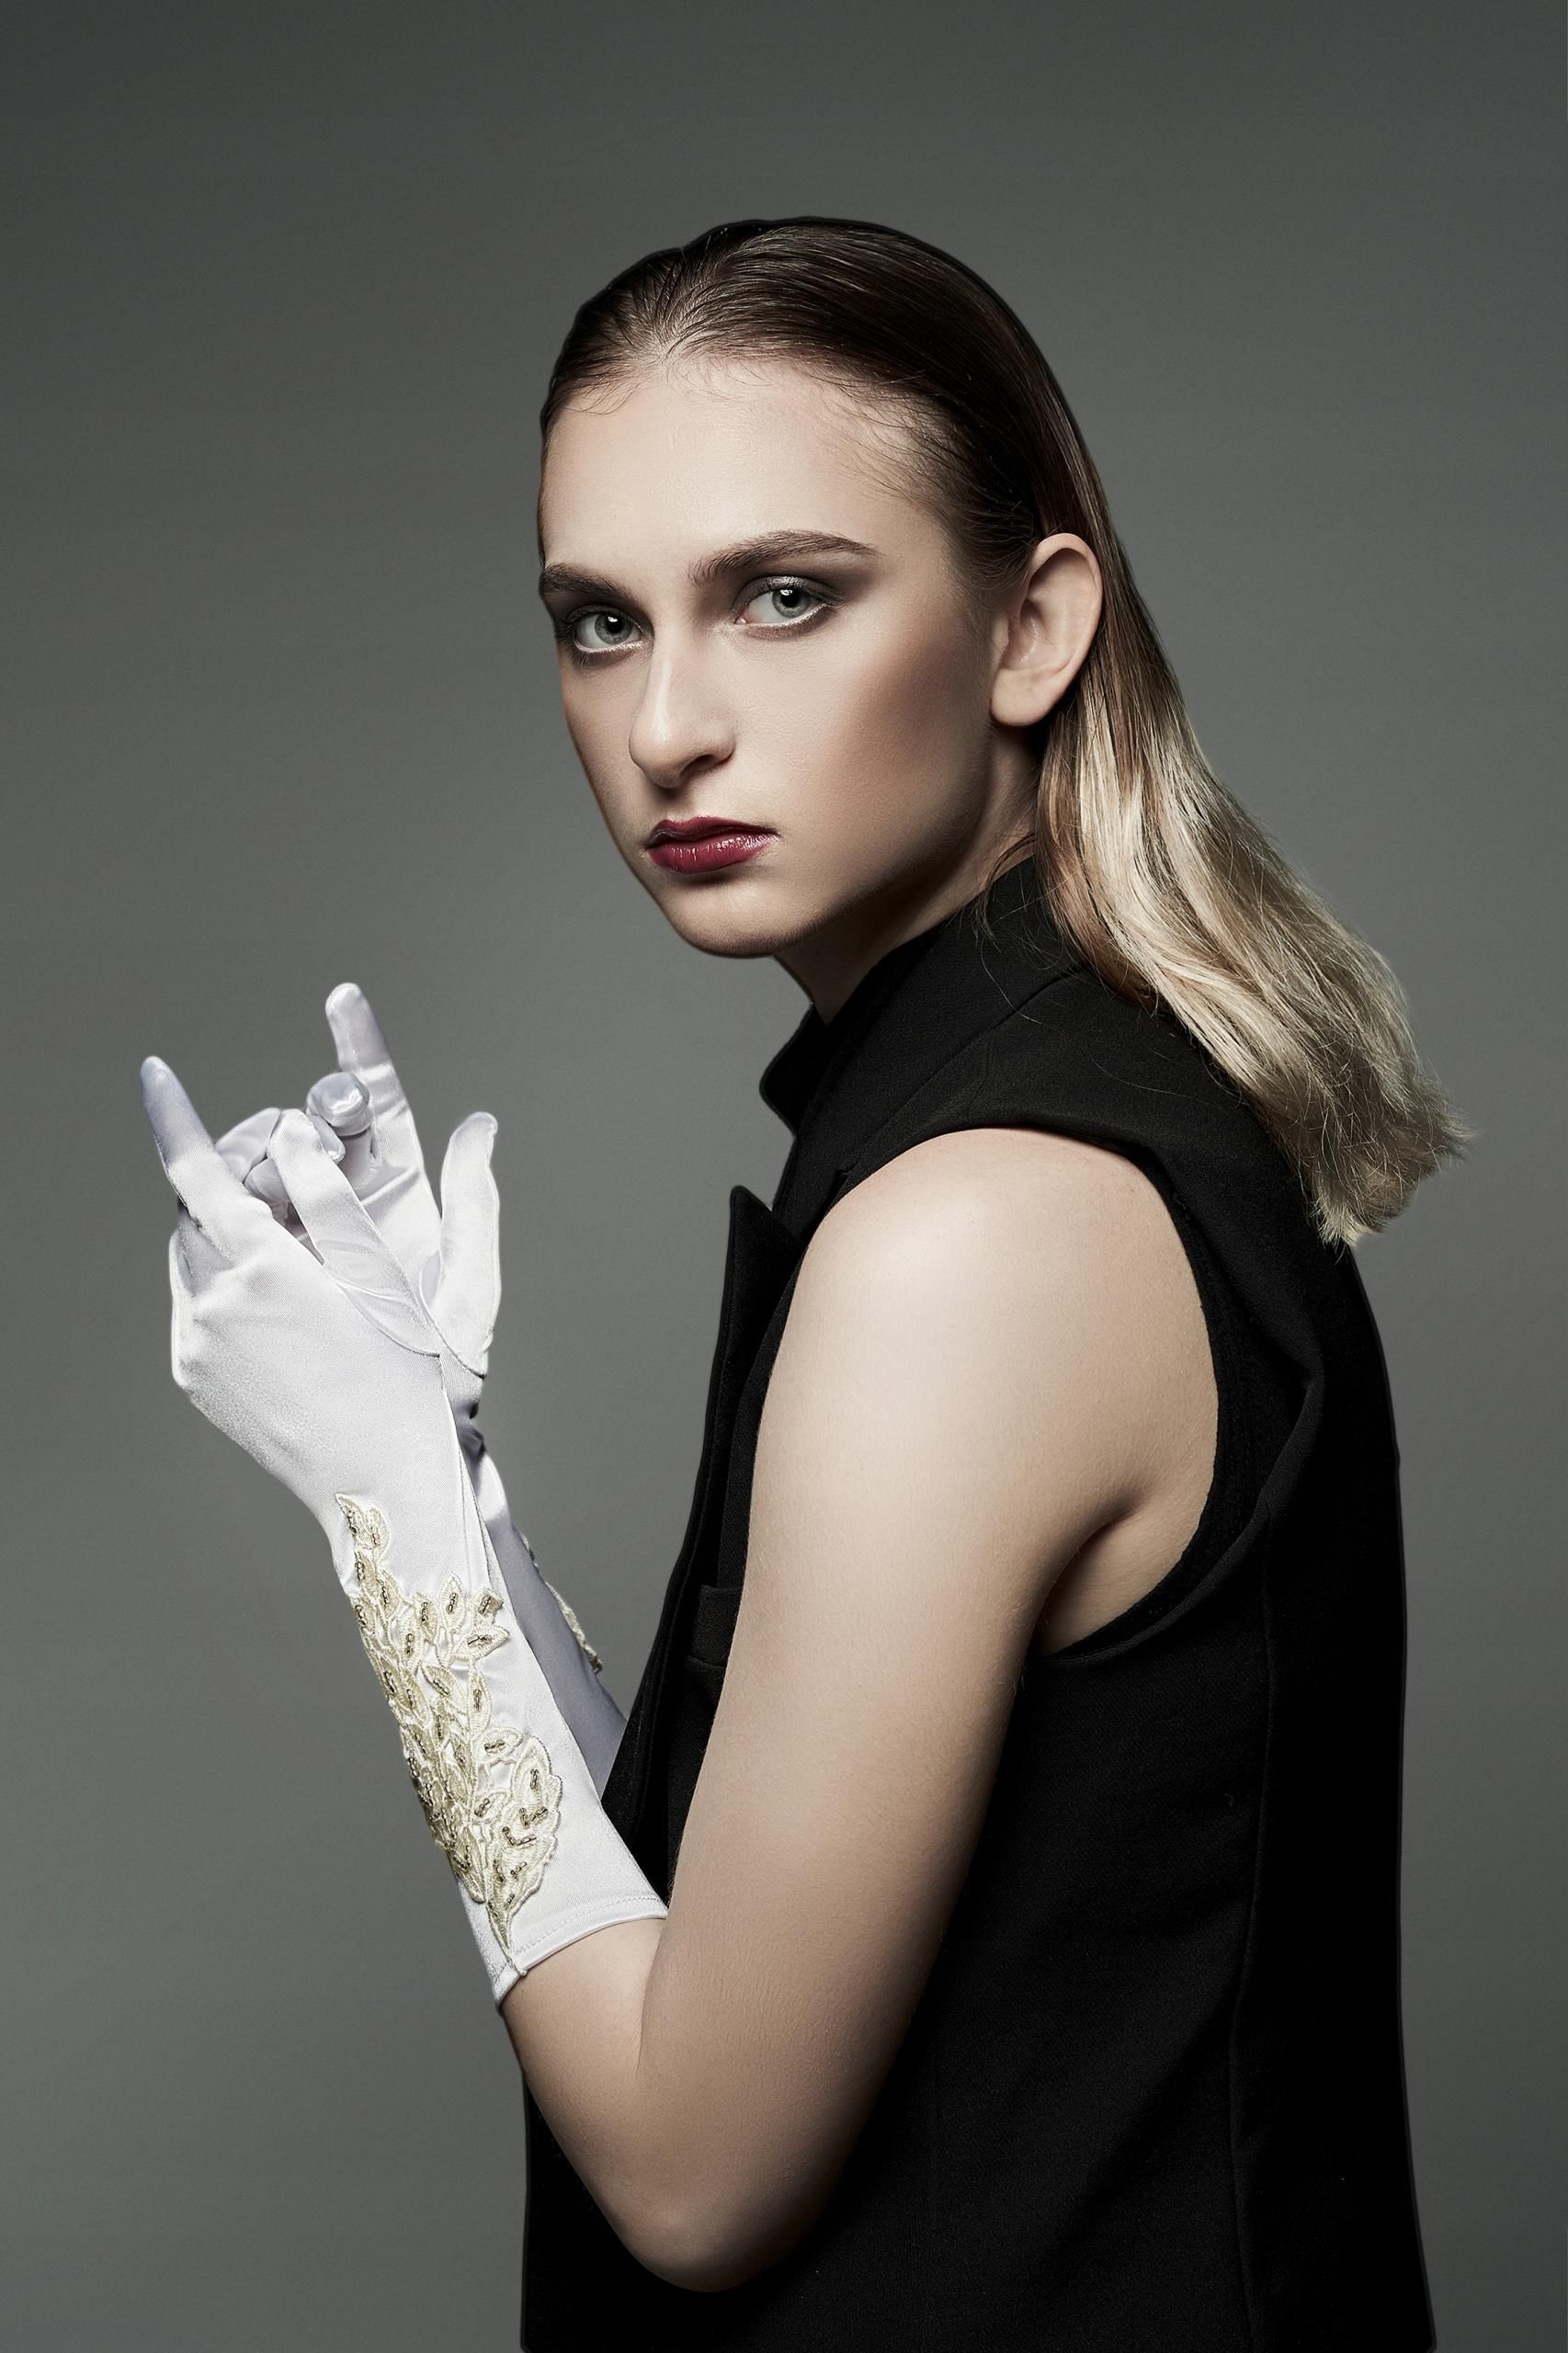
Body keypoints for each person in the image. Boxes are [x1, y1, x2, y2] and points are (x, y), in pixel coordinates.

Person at [141, 217, 1461, 2349]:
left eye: (783, 594)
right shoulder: (1035, 1122)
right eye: (598, 622)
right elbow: (713, 1904)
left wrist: (385, 1521)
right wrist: (452, 1472)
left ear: (1029, 626)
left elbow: (693, 2165)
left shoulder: (980, 1227)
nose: (667, 723)